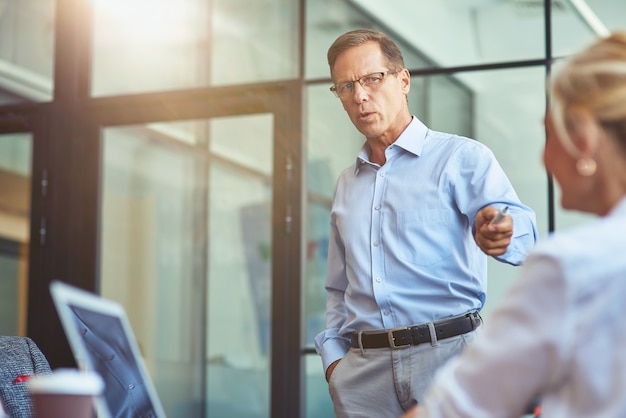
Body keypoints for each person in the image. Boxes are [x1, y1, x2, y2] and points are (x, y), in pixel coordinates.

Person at [313, 29, 538, 418]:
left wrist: (502, 232)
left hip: (449, 360)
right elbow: (338, 288)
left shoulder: (461, 157)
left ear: (403, 81)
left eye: (372, 79)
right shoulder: (346, 185)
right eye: (345, 86)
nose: (360, 96)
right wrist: (335, 362)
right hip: (363, 378)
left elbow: (522, 233)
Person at [401, 31, 626, 418]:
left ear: (584, 141)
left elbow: (454, 409)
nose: (544, 156)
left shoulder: (572, 265)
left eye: (548, 134)